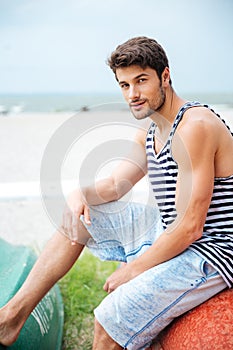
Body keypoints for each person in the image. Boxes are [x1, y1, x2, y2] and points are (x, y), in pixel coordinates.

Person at [0, 36, 233, 350]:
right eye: (124, 85)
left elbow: (190, 227)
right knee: (80, 216)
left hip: (210, 251)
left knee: (109, 319)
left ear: (165, 76)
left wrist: (133, 270)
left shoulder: (194, 127)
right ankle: (11, 317)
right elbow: (115, 185)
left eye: (141, 81)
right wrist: (79, 194)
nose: (133, 94)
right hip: (170, 229)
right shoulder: (150, 131)